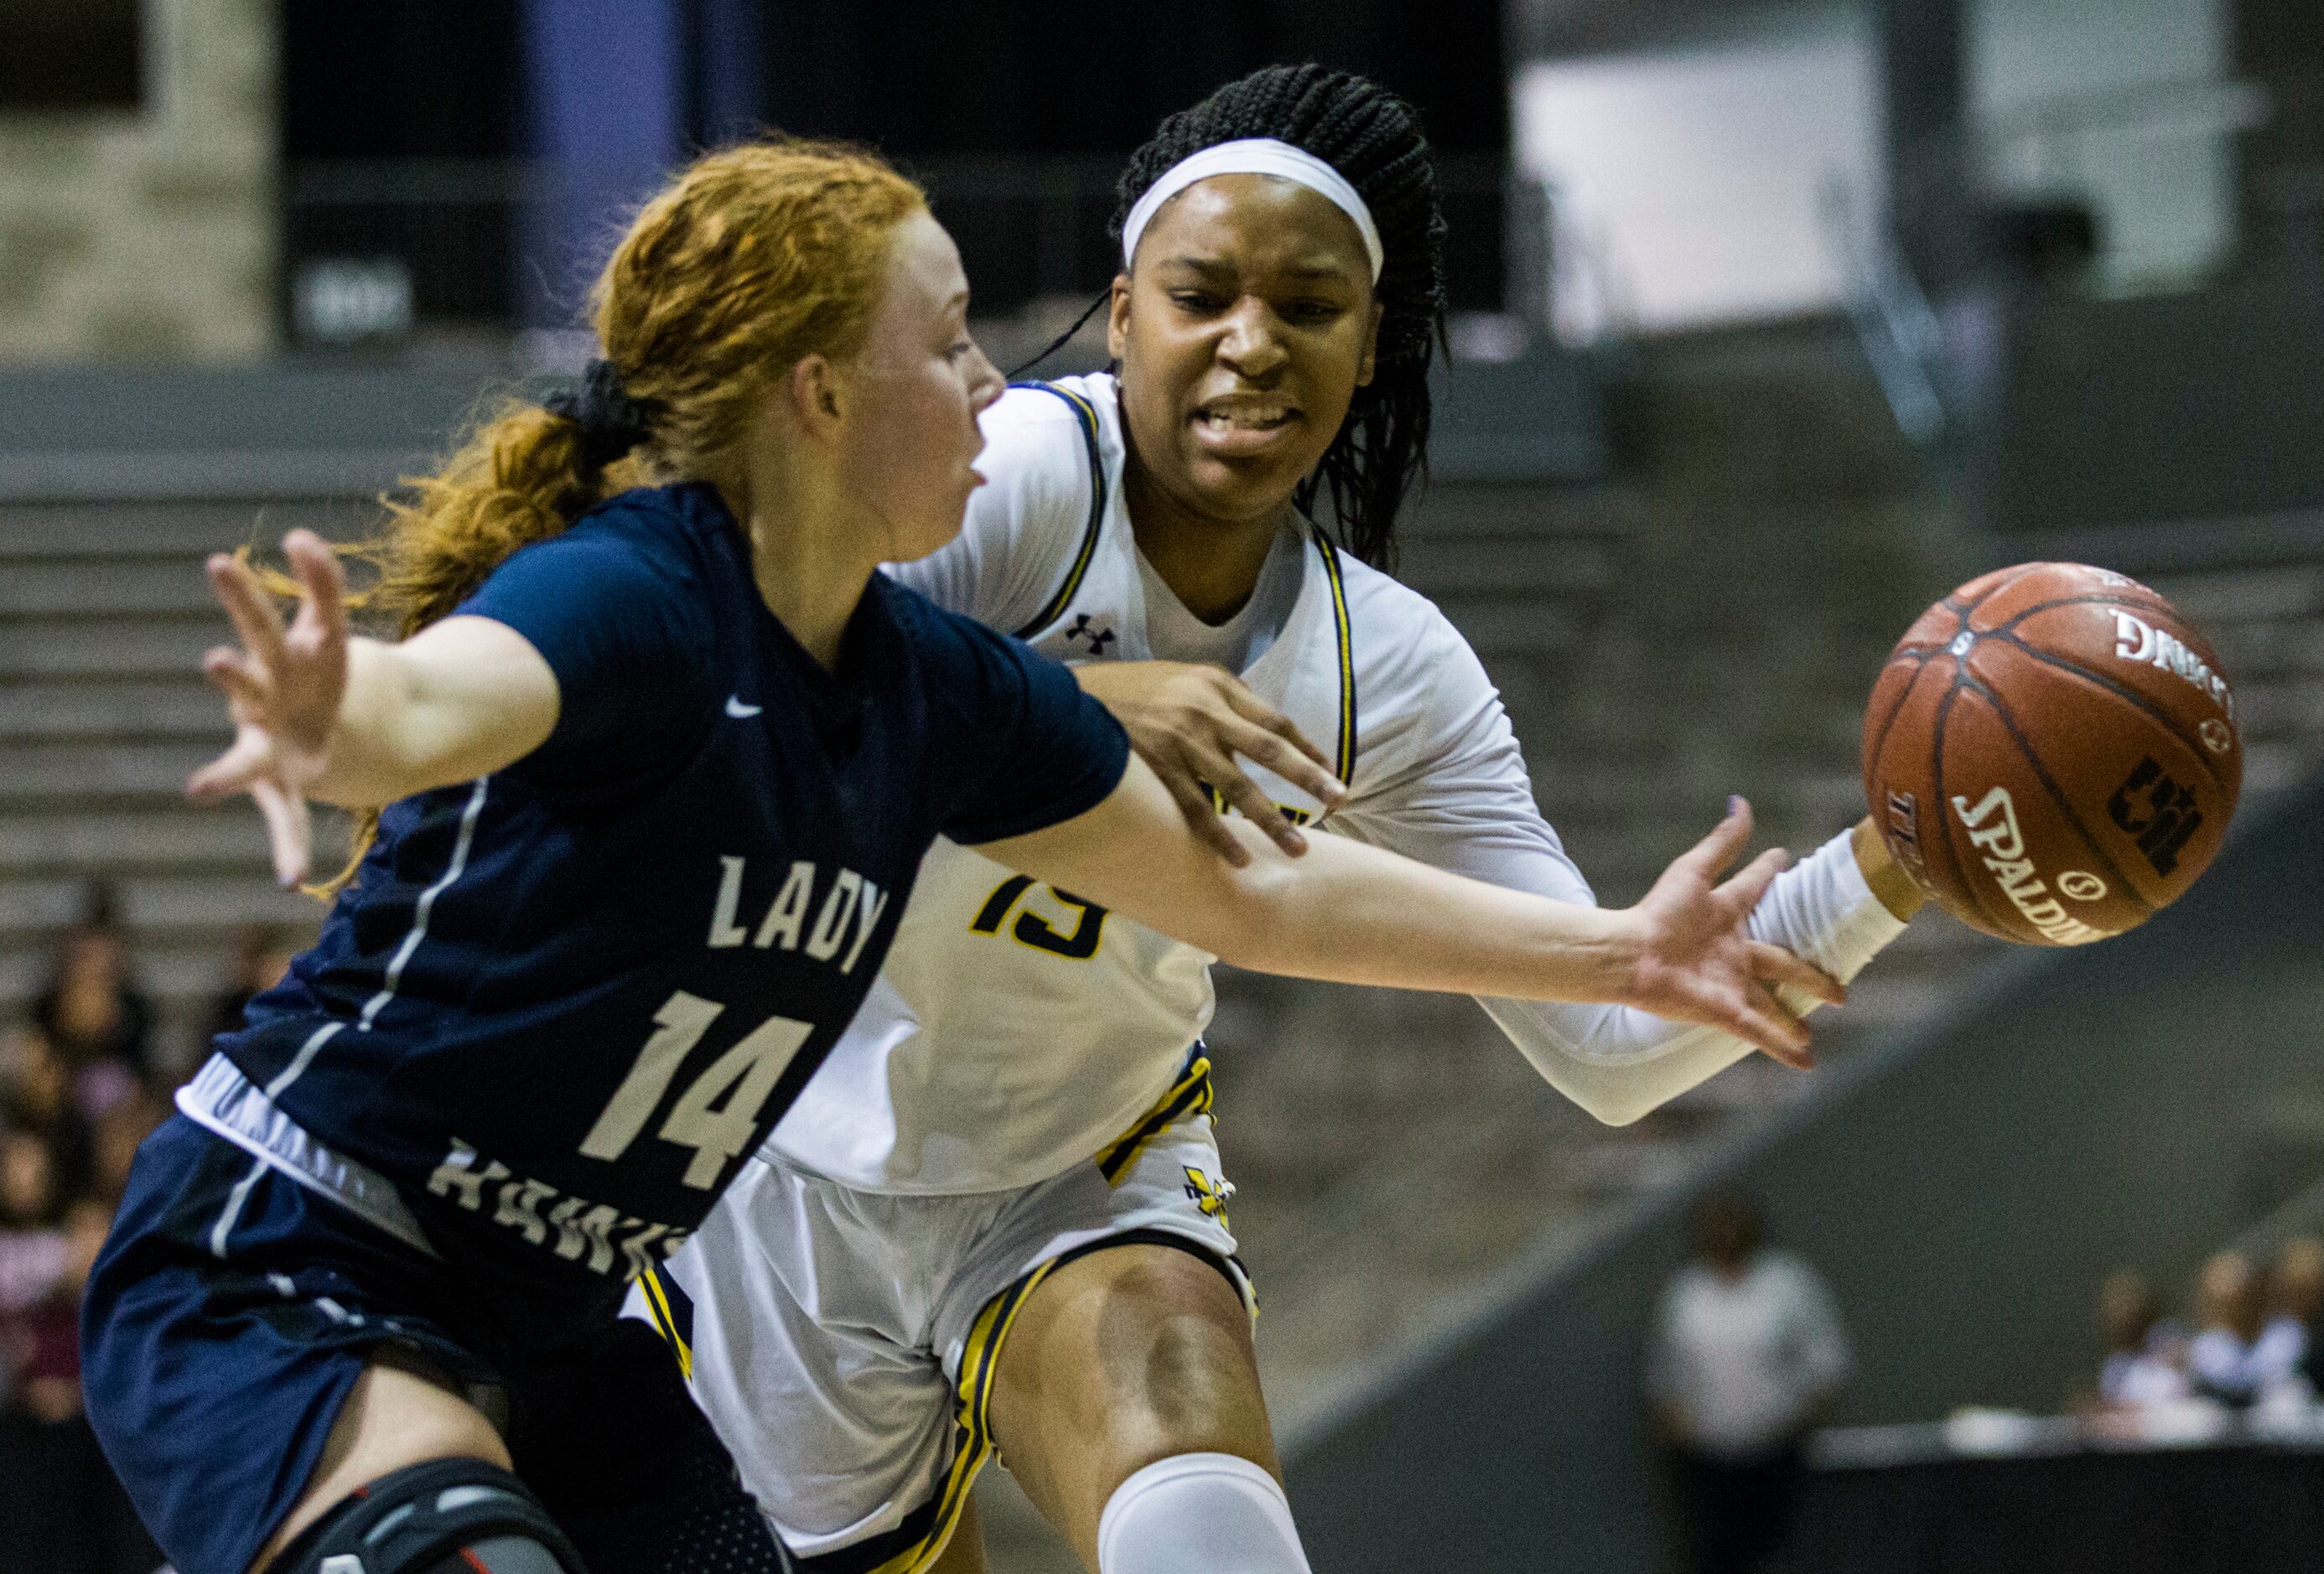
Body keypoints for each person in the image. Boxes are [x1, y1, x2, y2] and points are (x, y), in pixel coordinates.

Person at [78, 137, 1830, 1574]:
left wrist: (1613, 955)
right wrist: (345, 717)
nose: (1002, 379)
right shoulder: (652, 598)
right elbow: (455, 694)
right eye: (956, 339)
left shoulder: (940, 688)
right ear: (824, 394)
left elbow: (1247, 891)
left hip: (554, 1310)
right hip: (304, 1246)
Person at [644, 67, 1922, 1574]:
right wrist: (1084, 709)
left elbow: (1615, 1043)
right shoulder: (1013, 482)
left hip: (1079, 1163)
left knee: (1201, 1493)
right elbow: (746, 678)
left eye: (1308, 307)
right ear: (1124, 315)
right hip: (779, 1165)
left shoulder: (1385, 663)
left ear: (1367, 345)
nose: (1252, 342)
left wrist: (1903, 860)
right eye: (1203, 296)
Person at [1649, 1192, 1849, 1574]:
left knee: (1784, 1553)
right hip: (1710, 1463)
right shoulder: (1687, 1295)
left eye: (1733, 1223)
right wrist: (1681, 1431)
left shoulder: (1787, 1284)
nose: (1726, 1234)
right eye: (1716, 1226)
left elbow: (1826, 1360)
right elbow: (1666, 1376)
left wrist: (1795, 1419)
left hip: (1780, 1456)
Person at [34, 881, 155, 1084]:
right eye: (87, 955)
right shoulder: (51, 1000)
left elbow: (140, 1065)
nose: (94, 963)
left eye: (101, 955)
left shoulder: (133, 1006)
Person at [2092, 1269, 2190, 1411]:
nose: (2123, 1315)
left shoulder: (2166, 1336)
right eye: (2116, 1306)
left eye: (2127, 1304)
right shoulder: (2114, 1366)